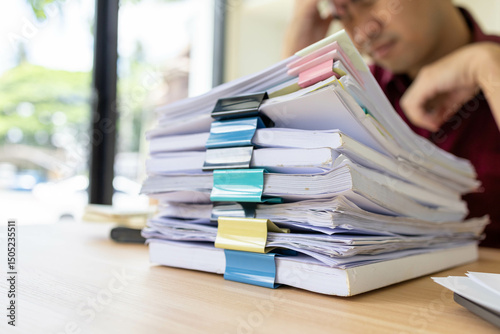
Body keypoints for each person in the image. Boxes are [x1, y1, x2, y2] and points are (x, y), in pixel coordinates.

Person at [283, 0, 500, 248]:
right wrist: (295, 76)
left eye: (365, 1)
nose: (360, 33)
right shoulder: (354, 90)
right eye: (340, 15)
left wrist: (487, 67)